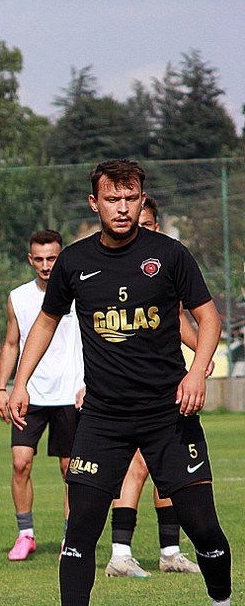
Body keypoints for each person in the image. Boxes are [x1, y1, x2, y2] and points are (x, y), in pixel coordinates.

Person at [8, 158, 240, 606]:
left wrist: (197, 373)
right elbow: (46, 324)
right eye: (111, 199)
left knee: (203, 527)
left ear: (141, 201)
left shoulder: (170, 255)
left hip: (168, 415)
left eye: (130, 198)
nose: (121, 207)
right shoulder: (73, 262)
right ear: (95, 204)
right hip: (103, 420)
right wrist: (20, 381)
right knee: (80, 529)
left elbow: (208, 318)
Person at [105, 196, 202, 578]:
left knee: (164, 465)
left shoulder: (165, 264)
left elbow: (179, 317)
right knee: (137, 465)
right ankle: (120, 552)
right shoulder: (114, 269)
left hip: (167, 383)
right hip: (125, 389)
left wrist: (201, 356)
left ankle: (169, 550)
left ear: (156, 227)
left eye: (144, 226)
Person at [0, 229, 84, 562]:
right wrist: (1, 387)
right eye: (40, 259)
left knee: (68, 470)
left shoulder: (79, 294)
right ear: (30, 259)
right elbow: (12, 343)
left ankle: (69, 538)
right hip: (29, 394)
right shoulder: (18, 297)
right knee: (20, 463)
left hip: (70, 392)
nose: (46, 266)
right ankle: (25, 535)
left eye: (52, 258)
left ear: (62, 257)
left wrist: (89, 382)